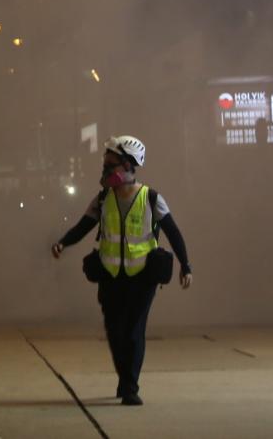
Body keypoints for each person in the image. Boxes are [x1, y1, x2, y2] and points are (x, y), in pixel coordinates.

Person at [51, 136, 193, 406]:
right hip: (111, 275)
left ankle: (130, 387)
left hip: (142, 277)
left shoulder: (151, 198)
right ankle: (124, 378)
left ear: (128, 165)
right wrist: (63, 242)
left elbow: (174, 233)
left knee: (133, 331)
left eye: (110, 165)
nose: (105, 171)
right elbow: (84, 226)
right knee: (115, 332)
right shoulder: (103, 199)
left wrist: (186, 265)